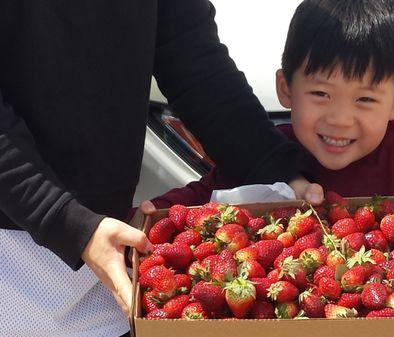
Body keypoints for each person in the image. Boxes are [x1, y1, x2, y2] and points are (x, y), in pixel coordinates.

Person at [139, 0, 394, 301]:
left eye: (365, 99)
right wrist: (148, 218)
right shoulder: (263, 154)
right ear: (285, 88)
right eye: (320, 94)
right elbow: (197, 203)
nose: (341, 119)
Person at [0, 1, 323, 336]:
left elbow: (191, 56)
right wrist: (66, 222)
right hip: (13, 250)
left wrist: (276, 168)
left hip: (110, 244)